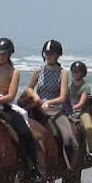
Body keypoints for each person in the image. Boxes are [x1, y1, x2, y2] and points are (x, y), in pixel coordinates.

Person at [0, 37, 43, 183]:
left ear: (9, 54)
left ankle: (33, 168)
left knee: (25, 132)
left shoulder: (14, 72)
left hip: (5, 106)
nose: (0, 56)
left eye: (3, 54)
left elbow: (11, 95)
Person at [27, 39, 78, 167]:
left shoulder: (63, 73)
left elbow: (63, 97)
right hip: (37, 107)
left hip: (55, 109)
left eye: (51, 53)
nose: (48, 56)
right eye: (46, 53)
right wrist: (35, 96)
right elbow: (29, 88)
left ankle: (68, 167)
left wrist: (48, 103)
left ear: (57, 55)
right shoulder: (39, 71)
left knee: (68, 137)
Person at [68, 60, 92, 166]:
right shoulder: (69, 86)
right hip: (70, 111)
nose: (75, 74)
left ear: (82, 73)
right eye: (73, 72)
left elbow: (81, 103)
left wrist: (71, 108)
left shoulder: (85, 86)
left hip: (82, 111)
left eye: (77, 72)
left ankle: (89, 153)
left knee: (88, 127)